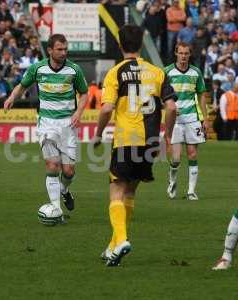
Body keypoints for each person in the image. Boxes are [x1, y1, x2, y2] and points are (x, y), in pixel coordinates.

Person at [92, 25, 177, 267]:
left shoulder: (115, 72)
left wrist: (98, 135)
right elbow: (171, 107)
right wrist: (168, 135)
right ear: (140, 45)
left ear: (120, 45)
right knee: (130, 192)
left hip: (126, 140)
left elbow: (107, 108)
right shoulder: (157, 72)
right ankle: (113, 245)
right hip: (149, 142)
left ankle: (121, 241)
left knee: (116, 191)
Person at [4, 34, 88, 222]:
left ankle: (64, 190)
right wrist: (11, 98)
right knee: (52, 165)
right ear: (50, 50)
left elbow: (84, 94)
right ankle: (56, 210)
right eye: (59, 49)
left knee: (69, 171)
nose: (63, 52)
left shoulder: (74, 70)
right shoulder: (37, 68)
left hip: (68, 125)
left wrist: (78, 113)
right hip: (47, 124)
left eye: (65, 49)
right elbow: (22, 86)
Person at [165, 42, 208, 201]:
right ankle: (172, 180)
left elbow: (202, 94)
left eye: (186, 53)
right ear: (176, 53)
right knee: (176, 158)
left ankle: (191, 191)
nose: (183, 56)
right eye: (181, 53)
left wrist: (205, 118)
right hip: (174, 120)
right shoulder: (167, 72)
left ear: (190, 55)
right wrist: (168, 107)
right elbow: (159, 94)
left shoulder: (196, 72)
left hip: (192, 118)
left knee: (192, 154)